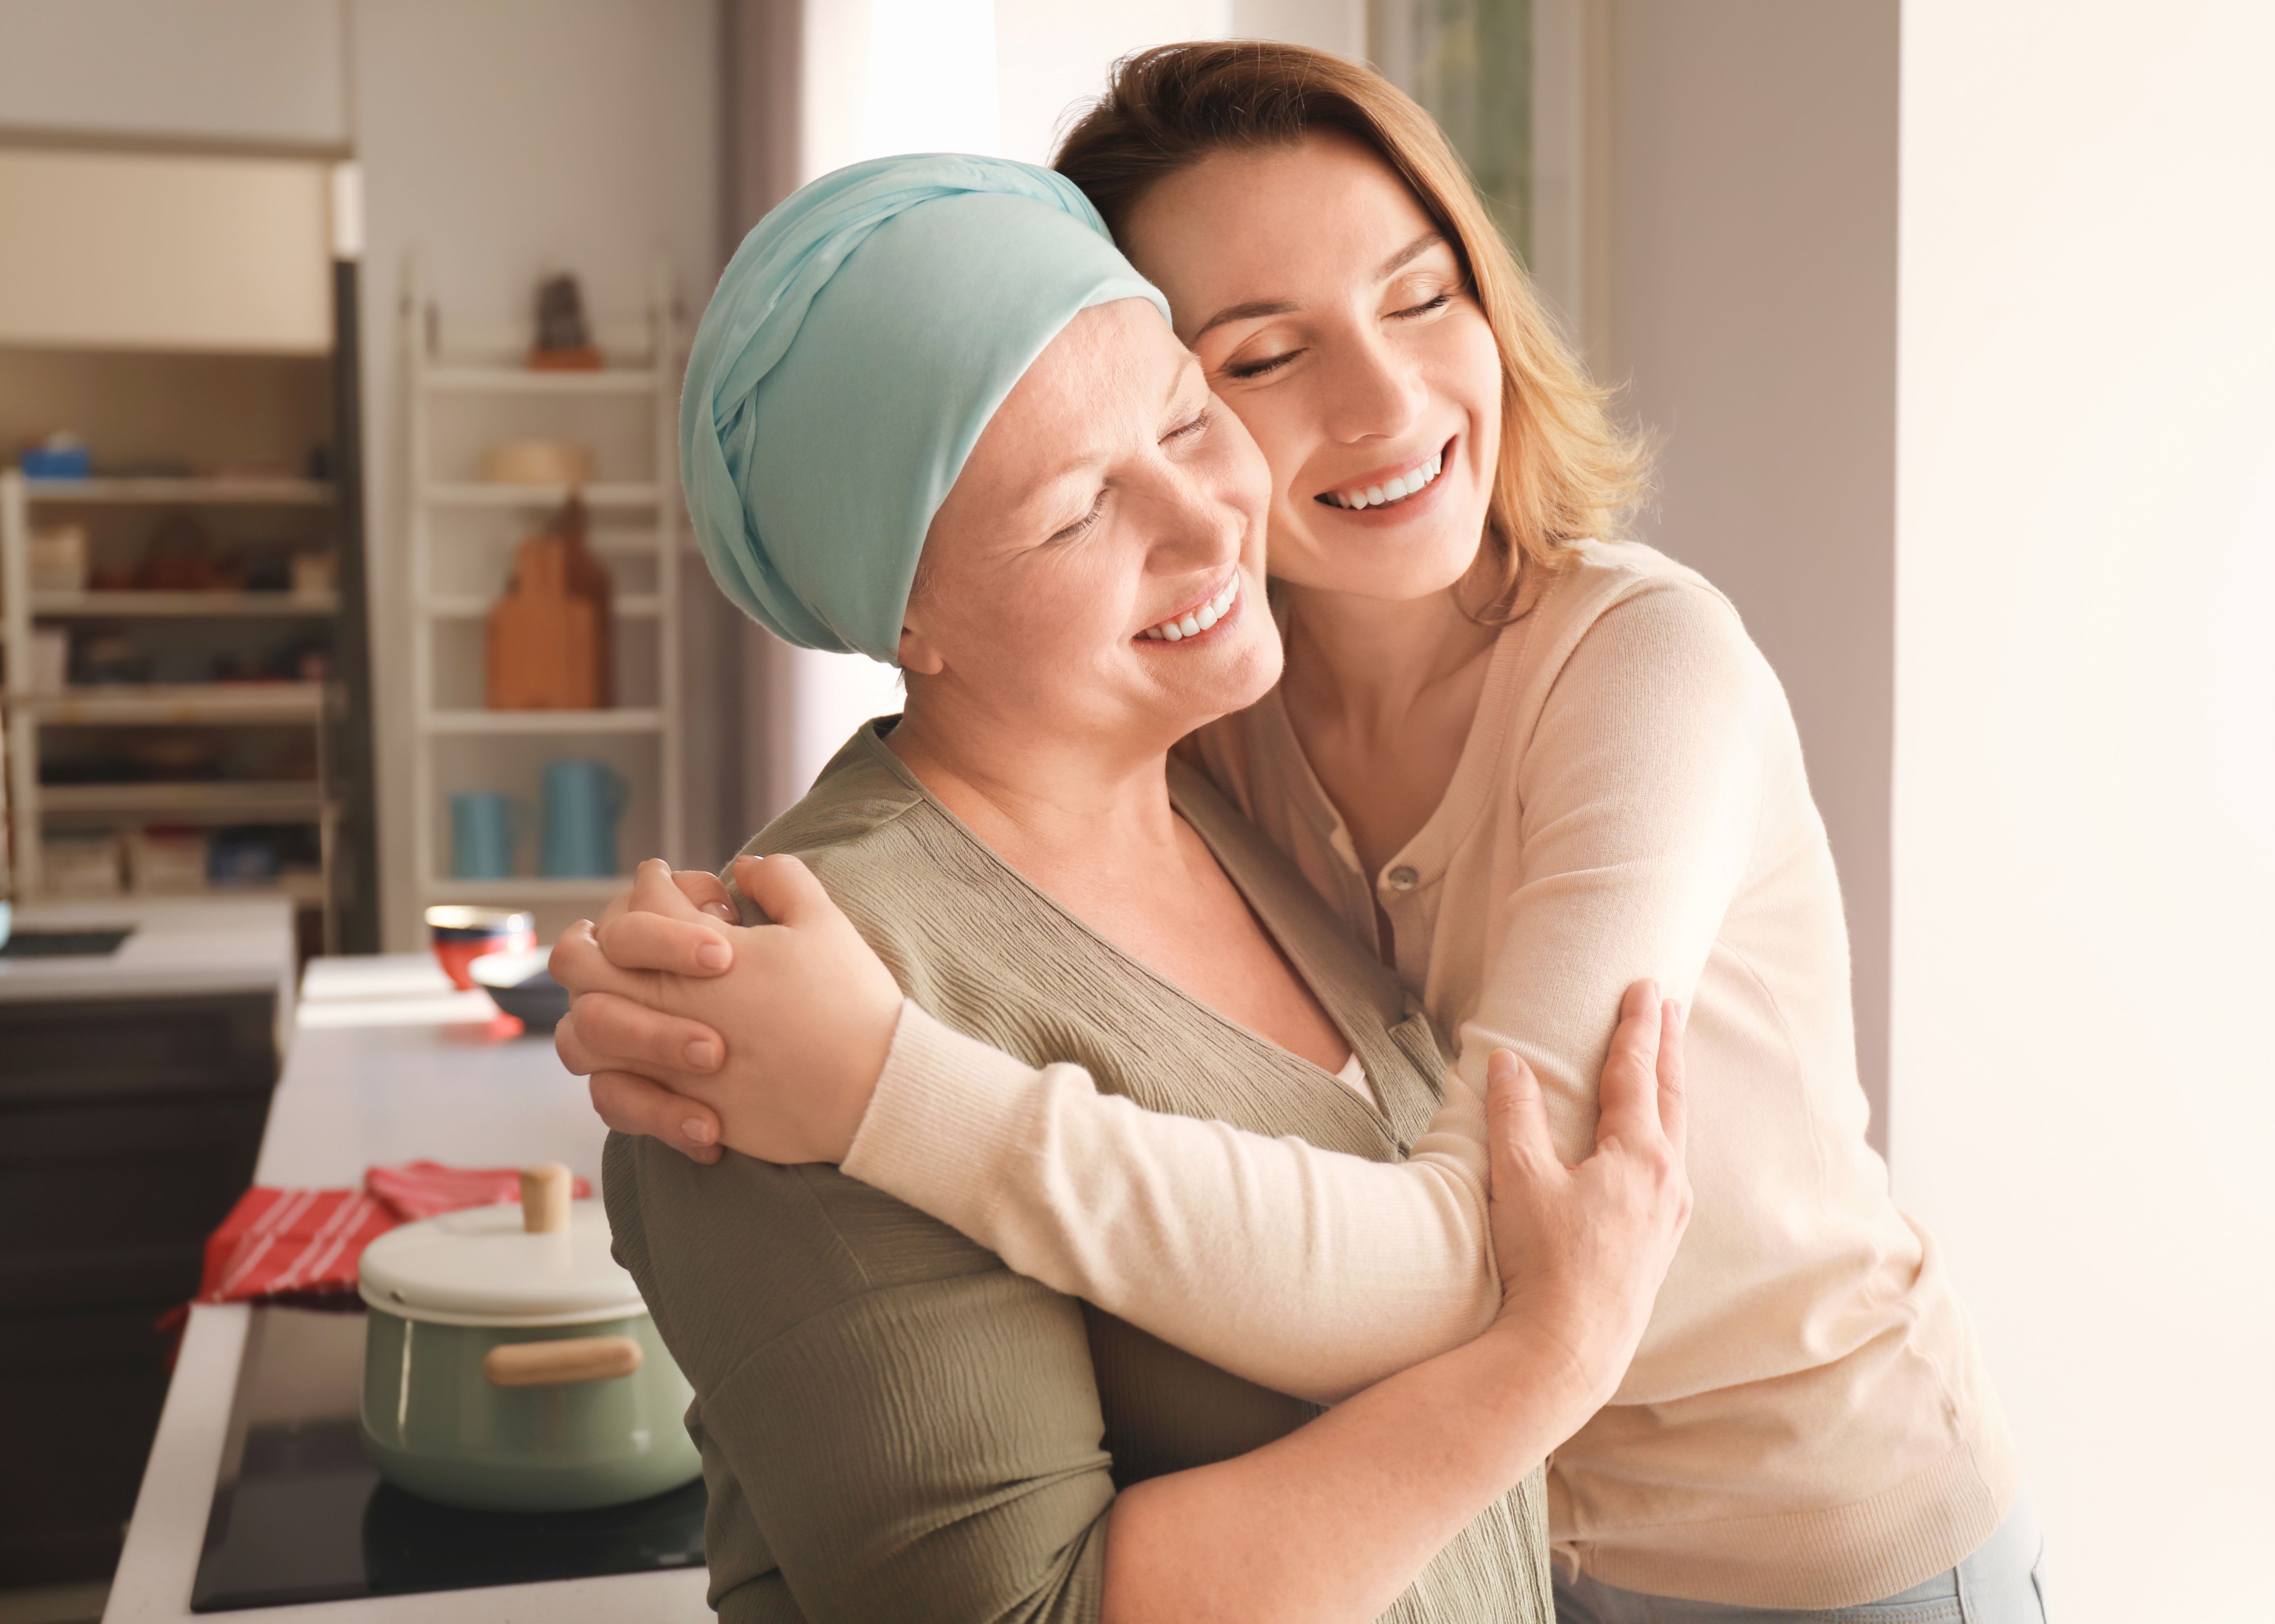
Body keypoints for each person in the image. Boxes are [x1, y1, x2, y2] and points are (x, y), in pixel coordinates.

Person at [562, 42, 2042, 1624]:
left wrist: (887, 1090)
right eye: (1261, 360)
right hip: (1540, 1536)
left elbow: (1479, 1246)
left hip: (1813, 1531)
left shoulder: (1635, 670)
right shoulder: (1219, 721)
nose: (1387, 401)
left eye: (1422, 297)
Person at [594, 150, 1692, 1624]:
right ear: (902, 615)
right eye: (1075, 513)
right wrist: (1550, 1359)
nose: (1208, 520)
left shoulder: (1226, 797)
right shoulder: (786, 1007)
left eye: (1185, 418)